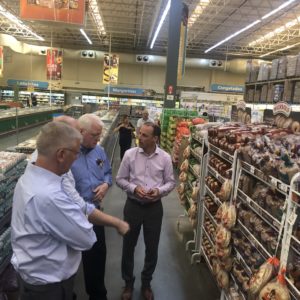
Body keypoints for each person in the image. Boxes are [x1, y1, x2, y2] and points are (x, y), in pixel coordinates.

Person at [10, 122, 96, 300]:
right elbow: (87, 239)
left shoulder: (27, 178)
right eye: (75, 152)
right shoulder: (51, 197)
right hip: (49, 289)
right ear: (61, 154)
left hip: (29, 277)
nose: (77, 157)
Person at [116, 122, 176, 300]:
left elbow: (171, 182)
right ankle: (128, 283)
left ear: (155, 139)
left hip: (154, 209)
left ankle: (146, 283)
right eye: (139, 133)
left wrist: (159, 191)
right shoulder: (129, 154)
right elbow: (120, 179)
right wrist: (134, 188)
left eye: (144, 135)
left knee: (152, 248)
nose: (139, 137)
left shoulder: (164, 158)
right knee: (128, 246)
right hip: (133, 206)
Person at [71, 113, 112, 300]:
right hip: (71, 217)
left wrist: (105, 184)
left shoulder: (99, 152)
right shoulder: (68, 153)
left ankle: (97, 295)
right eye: (95, 135)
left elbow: (107, 173)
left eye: (99, 135)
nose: (98, 139)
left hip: (94, 213)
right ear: (81, 132)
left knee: (96, 259)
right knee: (68, 261)